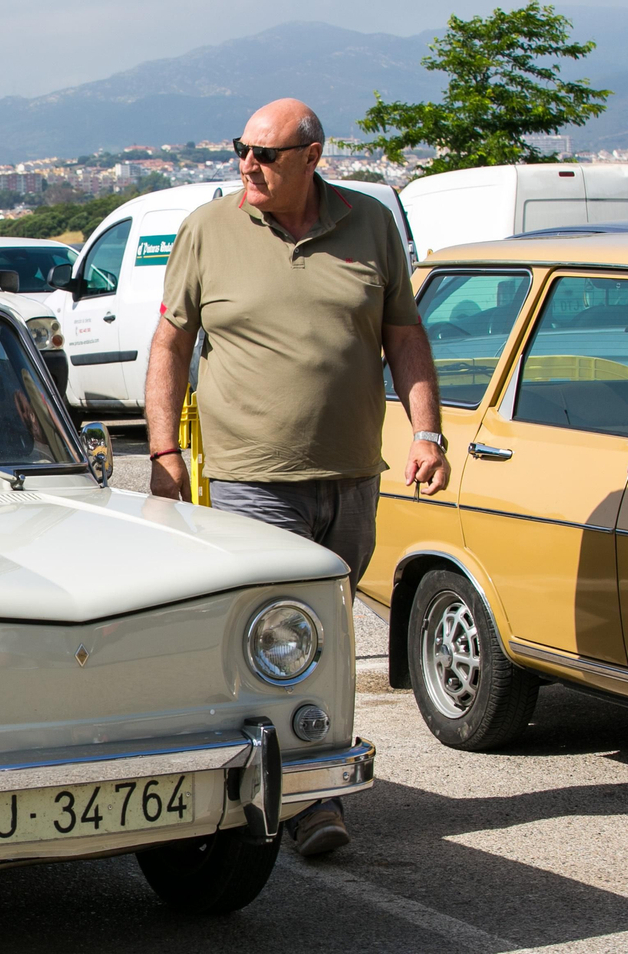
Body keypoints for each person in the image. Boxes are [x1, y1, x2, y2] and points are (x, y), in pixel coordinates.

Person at [144, 98, 449, 857]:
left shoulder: (370, 224)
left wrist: (427, 431)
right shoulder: (209, 229)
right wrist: (161, 452)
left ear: (312, 157)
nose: (246, 164)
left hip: (350, 474)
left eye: (264, 154)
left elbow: (403, 335)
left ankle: (296, 776)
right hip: (253, 478)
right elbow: (170, 345)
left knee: (329, 639)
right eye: (239, 148)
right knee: (282, 631)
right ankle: (309, 801)